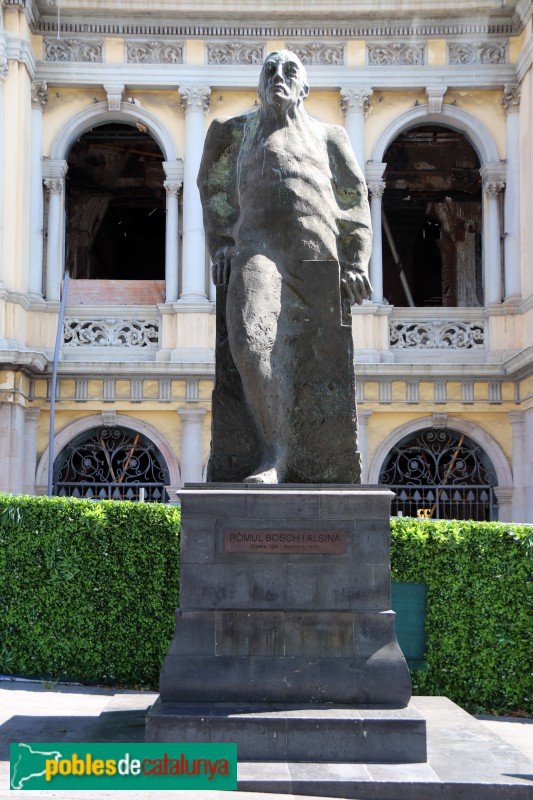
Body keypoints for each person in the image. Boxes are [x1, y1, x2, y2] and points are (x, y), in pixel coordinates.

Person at [198, 50, 372, 484]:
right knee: (251, 342)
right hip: (258, 251)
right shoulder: (231, 132)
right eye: (269, 70)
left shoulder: (329, 136)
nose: (279, 76)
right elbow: (213, 190)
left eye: (289, 71)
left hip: (318, 259)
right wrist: (221, 244)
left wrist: (356, 261)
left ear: (305, 87)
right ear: (259, 84)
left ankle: (316, 460)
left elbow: (354, 199)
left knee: (316, 363)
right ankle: (275, 454)